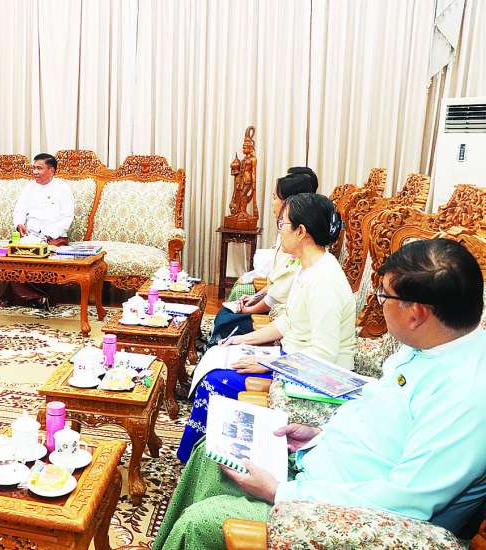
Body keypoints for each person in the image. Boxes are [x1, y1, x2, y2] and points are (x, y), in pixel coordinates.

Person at [154, 238, 486, 550]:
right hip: (324, 467)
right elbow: (382, 423)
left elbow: (403, 501)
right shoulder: (427, 347)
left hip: (338, 511)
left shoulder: (466, 397)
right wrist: (318, 437)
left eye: (384, 296)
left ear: (417, 314)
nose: (379, 304)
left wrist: (278, 492)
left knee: (201, 522)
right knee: (209, 454)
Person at [179, 193, 355, 461]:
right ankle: (199, 458)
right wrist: (244, 340)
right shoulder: (308, 268)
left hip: (318, 379)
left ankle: (201, 461)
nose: (280, 231)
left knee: (214, 383)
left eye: (283, 224)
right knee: (221, 355)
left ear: (301, 232)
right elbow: (288, 322)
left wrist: (268, 364)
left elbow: (324, 355)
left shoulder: (324, 281)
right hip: (293, 360)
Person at [209, 167, 317, 344]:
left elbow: (279, 296)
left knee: (225, 323)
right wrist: (255, 297)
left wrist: (250, 309)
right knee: (225, 315)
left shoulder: (301, 250)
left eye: (275, 197)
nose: (272, 202)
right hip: (279, 313)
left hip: (279, 317)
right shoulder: (291, 237)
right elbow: (276, 282)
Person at [0, 153, 75, 309]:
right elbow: (19, 210)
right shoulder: (29, 187)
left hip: (54, 237)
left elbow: (67, 218)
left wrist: (48, 236)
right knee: (15, 256)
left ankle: (27, 297)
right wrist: (19, 224)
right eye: (34, 168)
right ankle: (38, 298)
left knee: (44, 257)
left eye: (39, 168)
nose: (35, 172)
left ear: (51, 170)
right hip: (31, 236)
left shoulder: (63, 188)